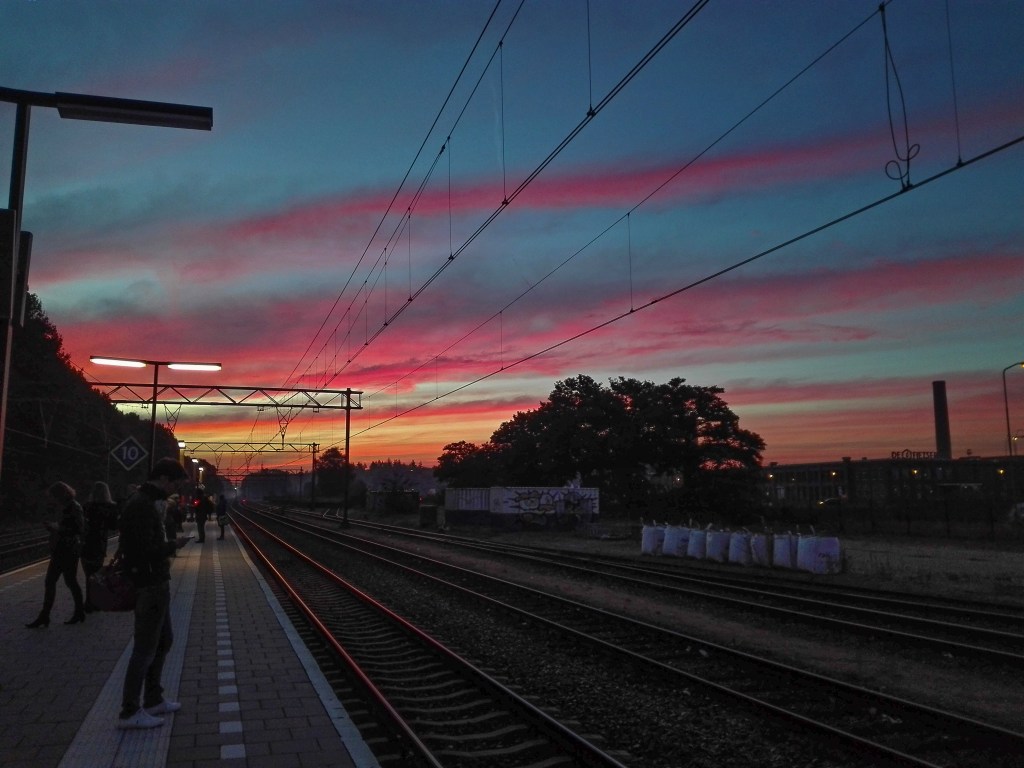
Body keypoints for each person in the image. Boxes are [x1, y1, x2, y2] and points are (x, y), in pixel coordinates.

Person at [117, 457, 191, 729]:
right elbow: (142, 550)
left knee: (163, 641)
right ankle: (129, 711)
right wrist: (173, 544)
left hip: (156, 581)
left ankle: (153, 698)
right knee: (145, 649)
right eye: (175, 483)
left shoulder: (146, 504)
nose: (175, 490)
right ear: (162, 479)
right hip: (148, 583)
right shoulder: (141, 507)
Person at [26, 481, 86, 627]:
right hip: (62, 550)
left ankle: (52, 615)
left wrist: (57, 528)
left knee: (66, 581)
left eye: (53, 496)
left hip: (67, 550)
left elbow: (78, 529)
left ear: (60, 494)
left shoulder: (74, 507)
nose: (51, 499)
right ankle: (49, 615)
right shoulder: (67, 507)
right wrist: (54, 528)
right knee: (61, 581)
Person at [81, 481, 118, 612]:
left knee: (88, 574)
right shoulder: (110, 507)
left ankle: (88, 601)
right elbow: (114, 526)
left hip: (86, 543)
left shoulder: (86, 506)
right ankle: (96, 602)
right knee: (97, 574)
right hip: (100, 543)